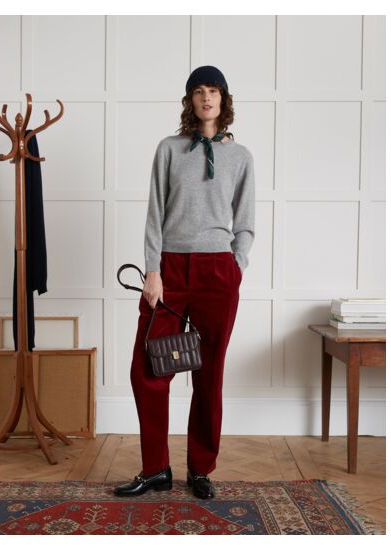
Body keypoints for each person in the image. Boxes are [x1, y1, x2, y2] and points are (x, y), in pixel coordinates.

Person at [114, 65, 255, 500]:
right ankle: (156, 467)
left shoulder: (241, 157)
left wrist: (236, 266)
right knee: (147, 369)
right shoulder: (169, 149)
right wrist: (152, 270)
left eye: (213, 91)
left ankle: (201, 469)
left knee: (209, 373)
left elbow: (245, 221)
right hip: (170, 269)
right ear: (190, 101)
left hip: (218, 272)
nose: (206, 98)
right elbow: (155, 212)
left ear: (223, 100)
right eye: (198, 91)